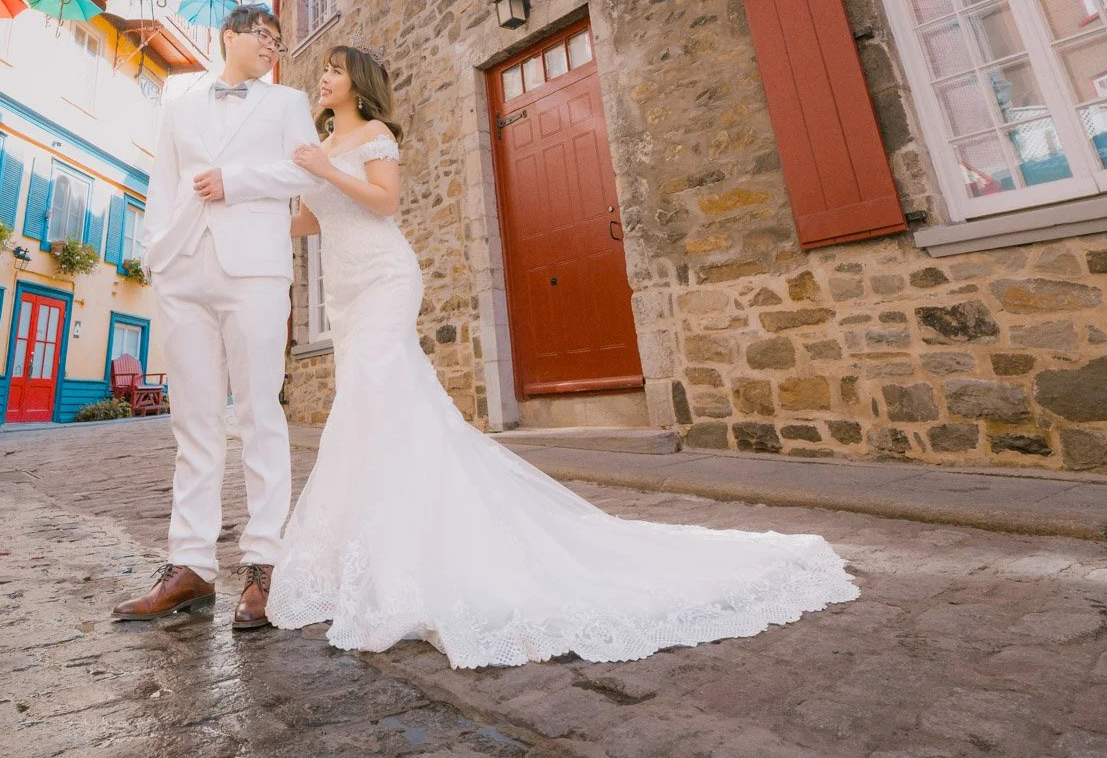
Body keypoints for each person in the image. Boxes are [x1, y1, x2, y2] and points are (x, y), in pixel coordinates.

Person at [267, 45, 860, 669]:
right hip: (346, 292)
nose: (323, 78)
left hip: (386, 277)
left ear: (356, 84)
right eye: (324, 71)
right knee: (366, 403)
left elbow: (384, 203)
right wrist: (244, 214)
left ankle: (421, 539)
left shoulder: (375, 134)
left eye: (334, 70)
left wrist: (322, 169)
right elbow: (308, 222)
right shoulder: (321, 142)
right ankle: (369, 540)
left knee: (382, 390)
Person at [112, 6, 321, 631]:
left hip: (254, 269)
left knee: (260, 412)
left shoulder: (287, 100)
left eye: (279, 41)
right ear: (230, 36)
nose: (273, 47)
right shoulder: (178, 103)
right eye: (264, 36)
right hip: (183, 270)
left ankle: (262, 565)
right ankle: (191, 565)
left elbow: (303, 171)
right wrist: (157, 257)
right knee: (194, 422)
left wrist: (238, 179)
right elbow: (162, 184)